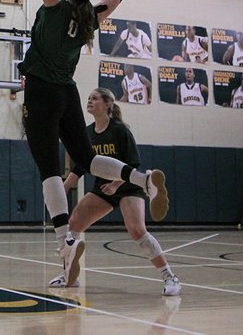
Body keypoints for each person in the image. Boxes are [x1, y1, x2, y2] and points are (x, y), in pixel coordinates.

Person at [0, 0, 168, 288]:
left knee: (48, 166)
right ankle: (142, 178)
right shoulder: (91, 16)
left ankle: (65, 237)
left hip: (42, 90)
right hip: (68, 91)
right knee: (85, 158)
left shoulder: (55, 5)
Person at [58, 88, 180, 295]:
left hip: (127, 187)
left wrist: (115, 184)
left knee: (137, 230)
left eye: (94, 98)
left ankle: (170, 277)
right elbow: (80, 165)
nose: (89, 101)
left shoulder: (120, 130)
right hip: (102, 189)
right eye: (88, 98)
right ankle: (70, 275)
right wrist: (65, 186)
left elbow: (132, 163)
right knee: (74, 224)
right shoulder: (87, 133)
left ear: (107, 104)